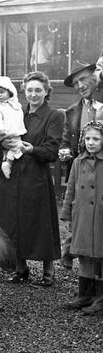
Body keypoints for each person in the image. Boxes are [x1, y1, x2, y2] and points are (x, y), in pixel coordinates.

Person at [0, 71, 63, 287]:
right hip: (13, 174)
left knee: (39, 221)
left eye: (38, 90)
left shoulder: (54, 116)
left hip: (35, 174)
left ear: (46, 92)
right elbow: (0, 136)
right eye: (30, 90)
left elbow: (52, 150)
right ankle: (20, 266)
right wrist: (3, 143)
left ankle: (48, 269)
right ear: (23, 90)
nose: (33, 94)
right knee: (14, 219)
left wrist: (32, 148)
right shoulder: (16, 111)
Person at [58, 60, 102, 269]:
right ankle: (84, 281)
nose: (80, 86)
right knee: (80, 216)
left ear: (95, 77)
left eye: (83, 79)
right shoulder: (72, 111)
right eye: (76, 84)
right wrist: (65, 150)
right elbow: (66, 140)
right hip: (81, 171)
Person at [59, 121, 103, 314]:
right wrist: (67, 214)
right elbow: (70, 189)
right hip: (83, 214)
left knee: (100, 256)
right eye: (87, 138)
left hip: (100, 216)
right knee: (84, 254)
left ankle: (100, 298)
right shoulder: (78, 162)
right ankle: (85, 294)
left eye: (96, 139)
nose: (91, 142)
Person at [0, 76, 27, 179]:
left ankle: (7, 163)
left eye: (1, 92)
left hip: (13, 131)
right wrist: (0, 130)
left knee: (17, 146)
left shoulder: (15, 105)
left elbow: (17, 117)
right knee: (17, 146)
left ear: (10, 92)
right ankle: (7, 162)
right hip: (4, 132)